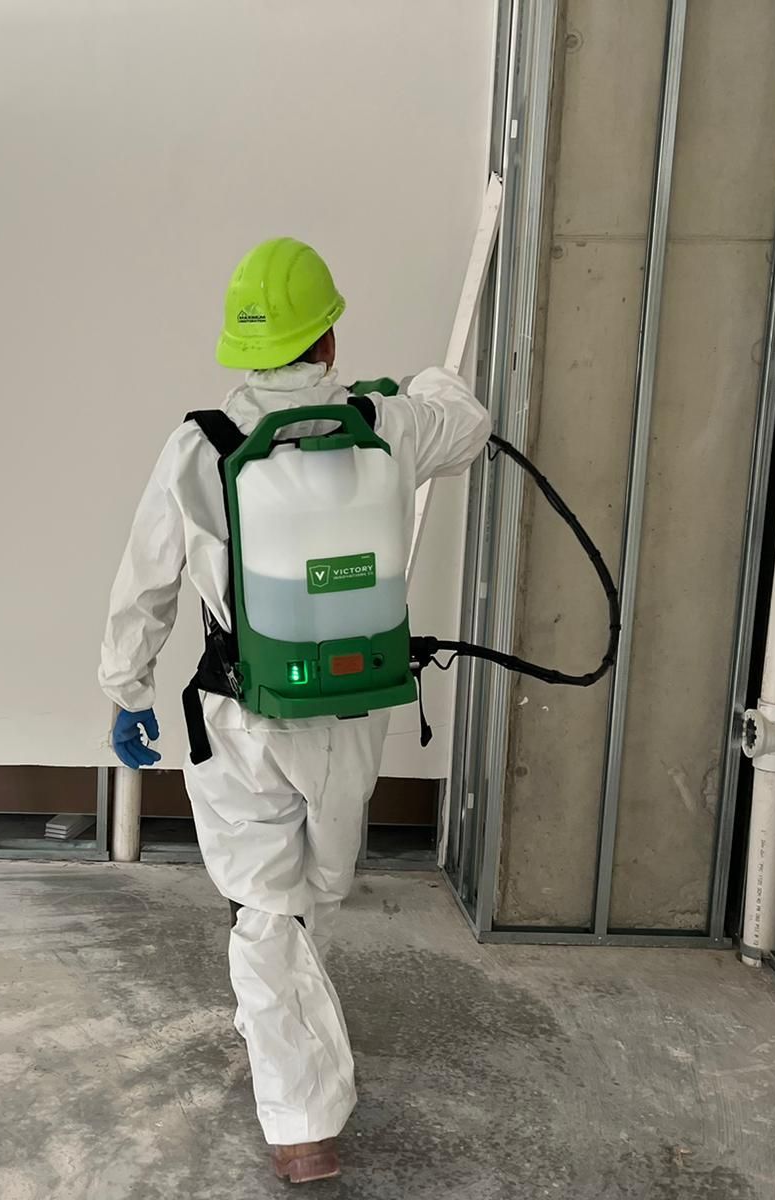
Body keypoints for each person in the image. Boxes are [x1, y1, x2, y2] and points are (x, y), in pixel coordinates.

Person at [97, 235, 491, 1184]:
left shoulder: (201, 444)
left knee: (267, 911)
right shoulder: (386, 423)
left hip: (246, 716)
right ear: (328, 337)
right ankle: (293, 1042)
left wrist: (127, 689)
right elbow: (471, 422)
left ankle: (304, 1122)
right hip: (358, 716)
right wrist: (428, 379)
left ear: (241, 346)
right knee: (314, 887)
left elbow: (147, 580)